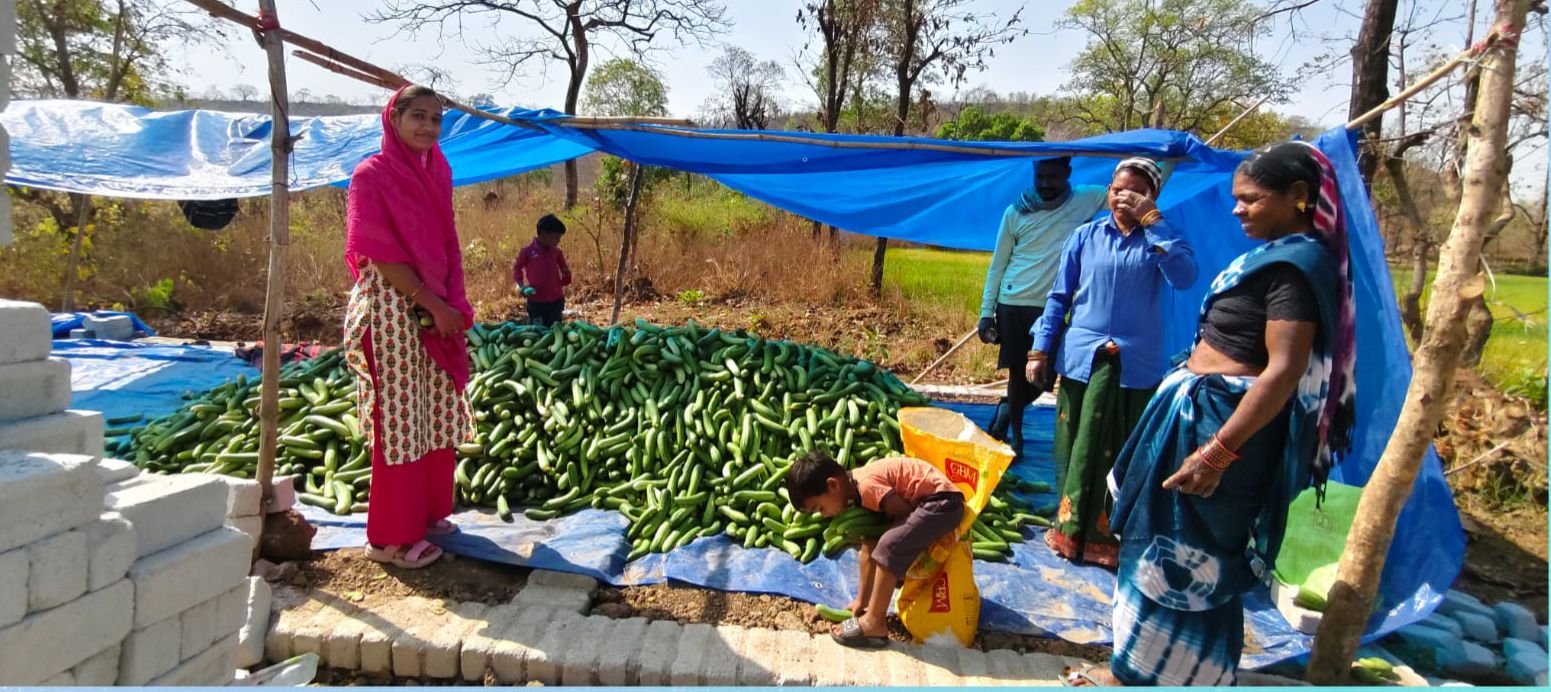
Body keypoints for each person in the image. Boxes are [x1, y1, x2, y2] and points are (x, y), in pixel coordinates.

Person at [1081, 142, 1356, 687]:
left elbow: (1282, 372)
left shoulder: (1296, 270)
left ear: (1299, 197)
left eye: (1250, 199)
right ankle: (1155, 669)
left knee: (1188, 555)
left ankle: (1160, 675)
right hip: (1198, 415)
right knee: (1164, 543)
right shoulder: (1273, 256)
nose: (1237, 210)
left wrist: (1219, 451)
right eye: (1236, 199)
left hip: (1225, 430)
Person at [1027, 157, 1197, 569]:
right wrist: (1040, 349)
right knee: (1077, 450)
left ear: (1151, 198)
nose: (1124, 197)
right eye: (1118, 189)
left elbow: (1185, 276)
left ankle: (1111, 536)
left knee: (1121, 452)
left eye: (1135, 191)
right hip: (1084, 359)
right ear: (1108, 191)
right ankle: (1068, 533)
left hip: (1134, 366)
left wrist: (1154, 222)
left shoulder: (1161, 241)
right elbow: (1059, 298)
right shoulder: (1085, 237)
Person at [342, 84, 474, 569]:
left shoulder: (437, 169)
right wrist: (431, 303)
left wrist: (450, 301)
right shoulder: (371, 175)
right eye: (417, 116)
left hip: (433, 306)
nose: (427, 127)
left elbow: (445, 240)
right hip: (392, 311)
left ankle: (428, 513)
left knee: (434, 413)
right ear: (392, 118)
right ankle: (391, 540)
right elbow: (376, 251)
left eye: (435, 119)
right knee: (400, 424)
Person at [978, 157, 1107, 456]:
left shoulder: (1086, 200)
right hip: (1012, 303)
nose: (1047, 184)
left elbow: (1136, 191)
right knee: (1017, 372)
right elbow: (998, 266)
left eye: (1054, 177)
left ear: (1068, 174)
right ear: (1033, 175)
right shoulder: (1016, 211)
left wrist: (1166, 158)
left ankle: (1005, 412)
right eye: (1041, 177)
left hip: (1050, 307)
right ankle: (1016, 440)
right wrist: (986, 314)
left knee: (1043, 378)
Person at [787, 452, 965, 649]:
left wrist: (891, 540)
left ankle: (874, 622)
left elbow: (903, 513)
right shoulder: (856, 491)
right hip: (937, 503)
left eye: (820, 508)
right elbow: (868, 549)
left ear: (833, 485)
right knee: (877, 544)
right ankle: (868, 608)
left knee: (889, 545)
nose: (823, 515)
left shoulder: (867, 486)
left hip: (943, 502)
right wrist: (860, 601)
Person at [513, 213, 572, 327]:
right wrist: (522, 286)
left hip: (556, 301)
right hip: (536, 302)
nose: (558, 241)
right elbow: (517, 268)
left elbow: (565, 278)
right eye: (556, 238)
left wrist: (567, 275)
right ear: (544, 235)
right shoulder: (527, 252)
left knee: (555, 329)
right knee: (537, 331)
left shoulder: (557, 252)